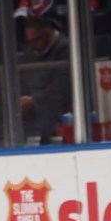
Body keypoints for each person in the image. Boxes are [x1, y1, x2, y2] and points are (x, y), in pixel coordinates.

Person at [19, 15, 72, 144]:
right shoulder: (31, 53)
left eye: (36, 40)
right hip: (34, 110)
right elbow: (23, 82)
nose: (32, 46)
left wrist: (33, 100)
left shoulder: (67, 48)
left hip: (61, 110)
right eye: (29, 41)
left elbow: (62, 87)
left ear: (48, 33)